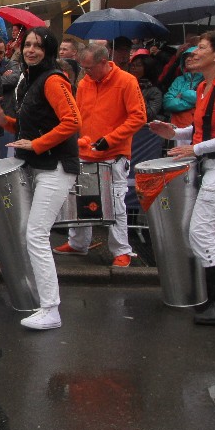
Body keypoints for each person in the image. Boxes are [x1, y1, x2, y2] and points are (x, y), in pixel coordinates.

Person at [148, 30, 215, 326]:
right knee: (199, 233)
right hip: (213, 165)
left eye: (201, 48)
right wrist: (176, 132)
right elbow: (205, 127)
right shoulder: (206, 85)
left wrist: (195, 148)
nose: (193, 53)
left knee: (201, 233)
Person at [0, 28, 82, 330]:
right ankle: (38, 300)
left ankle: (51, 309)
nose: (30, 50)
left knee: (36, 234)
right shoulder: (29, 79)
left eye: (37, 46)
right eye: (27, 44)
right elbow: (31, 125)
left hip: (55, 166)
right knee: (30, 233)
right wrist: (5, 121)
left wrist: (37, 144)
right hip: (36, 165)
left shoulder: (53, 80)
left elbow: (73, 121)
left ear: (48, 50)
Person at [58, 44, 147, 267]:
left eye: (88, 67)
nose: (85, 72)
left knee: (116, 203)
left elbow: (138, 117)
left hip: (114, 154)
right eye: (83, 67)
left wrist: (110, 139)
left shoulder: (127, 81)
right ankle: (78, 243)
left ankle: (121, 250)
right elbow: (79, 115)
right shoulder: (85, 82)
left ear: (103, 62)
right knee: (81, 198)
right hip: (86, 150)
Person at [129, 51, 163, 121]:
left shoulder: (155, 91)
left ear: (147, 68)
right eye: (132, 65)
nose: (133, 68)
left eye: (138, 65)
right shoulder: (126, 84)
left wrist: (137, 95)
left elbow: (150, 114)